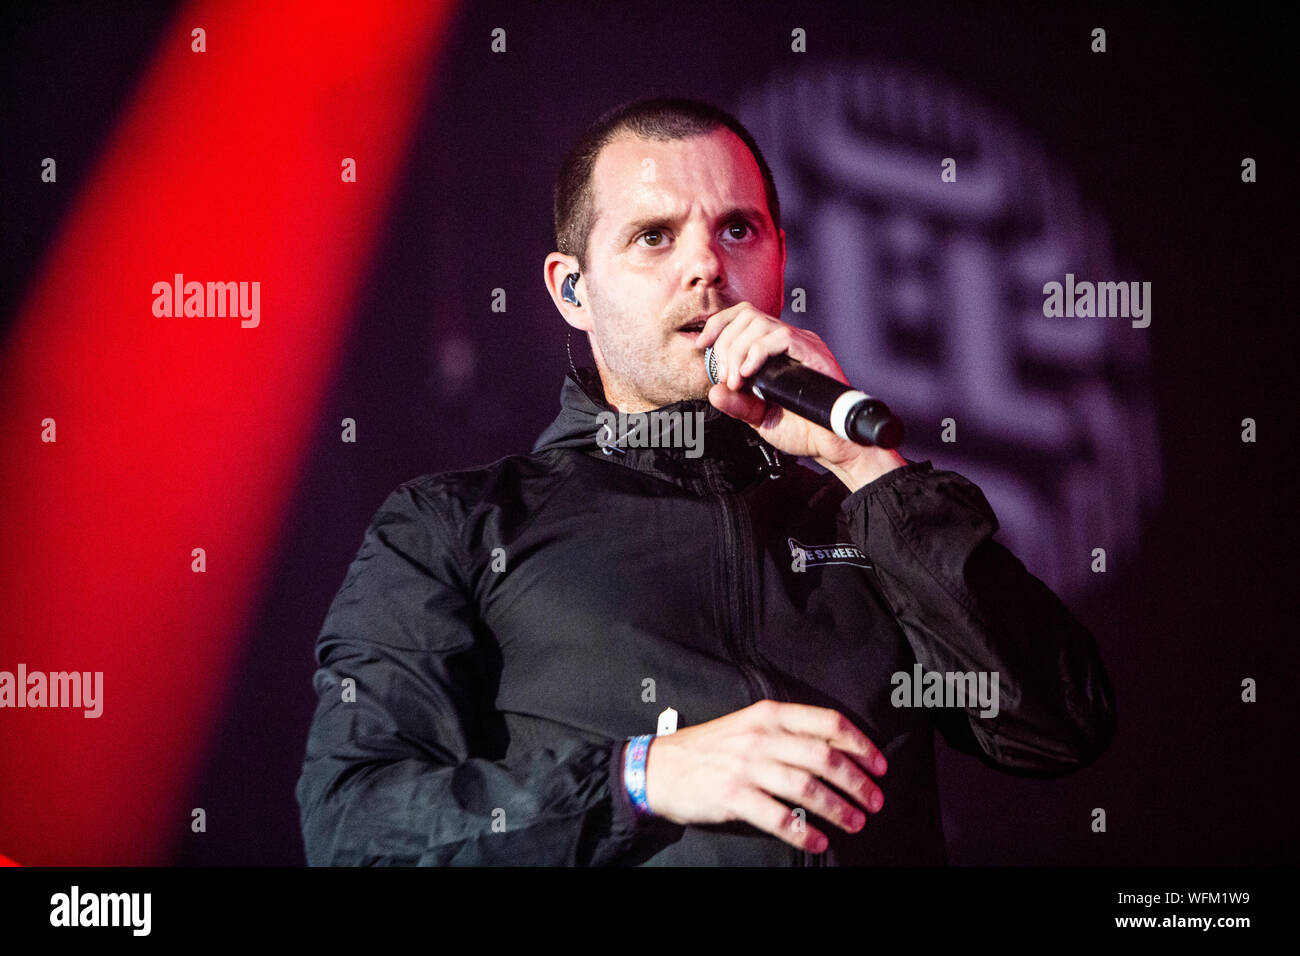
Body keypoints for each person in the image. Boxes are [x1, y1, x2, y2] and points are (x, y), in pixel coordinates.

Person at [295, 96, 1116, 866]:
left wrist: (866, 467)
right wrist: (642, 777)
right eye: (654, 236)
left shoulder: (869, 513)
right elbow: (358, 825)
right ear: (572, 289)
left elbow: (1057, 725)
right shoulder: (458, 525)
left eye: (738, 229)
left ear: (780, 259)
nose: (707, 266)